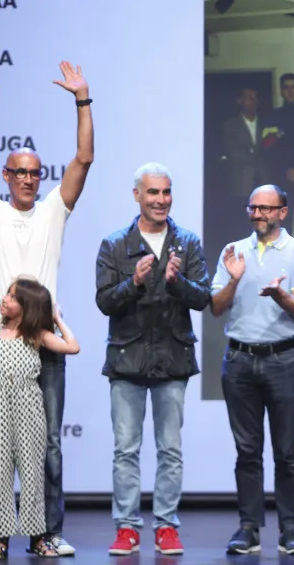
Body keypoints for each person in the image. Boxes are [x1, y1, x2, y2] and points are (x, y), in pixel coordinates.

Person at [0, 61, 93, 558]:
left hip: (44, 348)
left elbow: (83, 159)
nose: (29, 180)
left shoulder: (54, 209)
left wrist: (82, 99)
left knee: (48, 446)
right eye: (21, 173)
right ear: (7, 176)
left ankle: (45, 533)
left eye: (36, 173)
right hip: (1, 346)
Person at [95, 163, 210, 556]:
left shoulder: (188, 241)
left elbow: (203, 298)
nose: (161, 200)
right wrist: (135, 282)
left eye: (166, 192)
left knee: (170, 449)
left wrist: (177, 283)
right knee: (126, 448)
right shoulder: (115, 244)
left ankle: (166, 526)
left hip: (172, 357)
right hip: (127, 358)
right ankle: (126, 527)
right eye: (153, 193)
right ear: (137, 196)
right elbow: (104, 301)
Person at [210, 184, 294, 555]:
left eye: (266, 209)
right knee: (247, 451)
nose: (258, 215)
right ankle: (248, 529)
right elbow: (216, 307)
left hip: (283, 359)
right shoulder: (234, 251)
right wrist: (235, 278)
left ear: (282, 212)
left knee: (286, 451)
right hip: (239, 360)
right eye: (253, 208)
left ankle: (291, 530)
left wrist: (279, 295)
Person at [0, 282, 80, 558]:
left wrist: (57, 318)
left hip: (30, 408)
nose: (4, 299)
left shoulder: (37, 335)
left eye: (12, 296)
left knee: (33, 475)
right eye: (6, 294)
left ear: (27, 306)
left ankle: (39, 538)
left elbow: (72, 347)